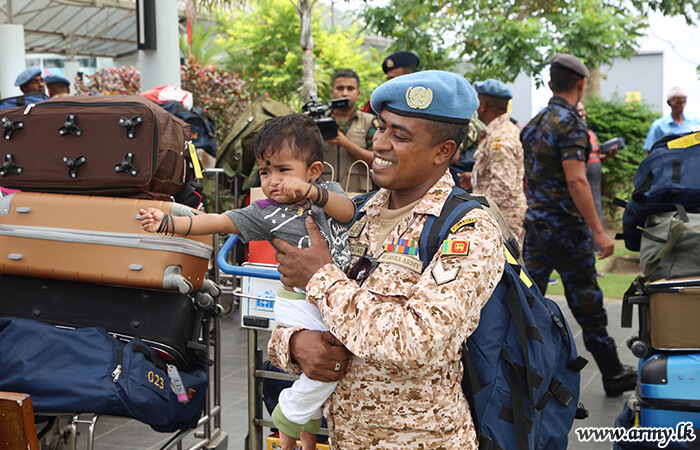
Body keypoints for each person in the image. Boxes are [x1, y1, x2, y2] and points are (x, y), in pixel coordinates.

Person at [268, 71, 505, 448]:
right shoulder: (354, 213)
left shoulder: (468, 230)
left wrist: (320, 278)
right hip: (345, 438)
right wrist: (295, 345)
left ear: (443, 151)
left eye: (400, 135)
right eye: (380, 128)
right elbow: (292, 316)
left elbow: (416, 341)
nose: (379, 143)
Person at [139, 114, 356, 450]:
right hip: (300, 302)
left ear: (313, 170)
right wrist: (168, 223)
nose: (273, 181)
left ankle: (306, 432)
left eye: (283, 170)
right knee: (331, 363)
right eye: (265, 171)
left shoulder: (329, 192)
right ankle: (288, 416)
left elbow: (348, 213)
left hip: (334, 296)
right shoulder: (263, 211)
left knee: (321, 372)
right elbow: (215, 222)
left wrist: (313, 193)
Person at [520, 54, 636, 397]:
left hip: (536, 227)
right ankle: (613, 373)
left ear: (550, 84)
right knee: (587, 304)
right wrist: (599, 231)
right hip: (566, 231)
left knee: (527, 303)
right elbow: (576, 180)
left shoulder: (533, 124)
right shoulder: (572, 124)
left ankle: (516, 375)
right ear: (582, 84)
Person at [460, 79, 526, 248]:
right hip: (496, 214)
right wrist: (473, 177)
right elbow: (496, 171)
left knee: (504, 264)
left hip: (502, 218)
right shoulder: (497, 131)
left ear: (483, 106)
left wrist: (479, 211)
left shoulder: (501, 139)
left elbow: (502, 186)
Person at [322, 69, 376, 194]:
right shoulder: (318, 122)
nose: (345, 93)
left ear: (358, 93)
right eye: (340, 88)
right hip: (323, 195)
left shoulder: (369, 122)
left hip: (358, 196)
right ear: (332, 92)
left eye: (350, 88)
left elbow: (377, 161)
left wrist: (346, 143)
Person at [577, 100, 618, 256]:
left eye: (583, 110)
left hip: (595, 179)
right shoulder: (573, 134)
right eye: (579, 111)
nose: (583, 113)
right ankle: (586, 249)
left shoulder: (590, 134)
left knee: (596, 208)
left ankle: (596, 248)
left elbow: (594, 156)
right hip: (582, 179)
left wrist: (607, 156)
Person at [643, 87, 700, 152]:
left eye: (684, 102)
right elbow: (650, 151)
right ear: (669, 103)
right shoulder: (658, 126)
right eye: (678, 103)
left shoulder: (695, 122)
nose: (682, 105)